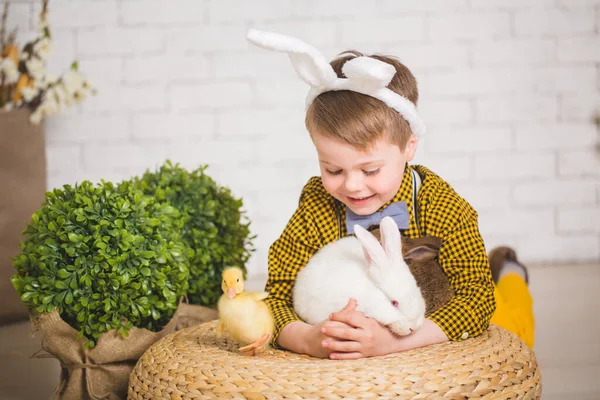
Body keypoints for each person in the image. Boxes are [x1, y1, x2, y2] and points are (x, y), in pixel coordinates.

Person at [246, 29, 533, 360]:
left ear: (409, 146)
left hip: (428, 324)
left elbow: (476, 300)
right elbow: (277, 296)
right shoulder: (316, 208)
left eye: (370, 171)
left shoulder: (442, 206)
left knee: (514, 327)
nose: (352, 186)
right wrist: (309, 339)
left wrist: (393, 343)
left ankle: (510, 272)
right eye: (334, 170)